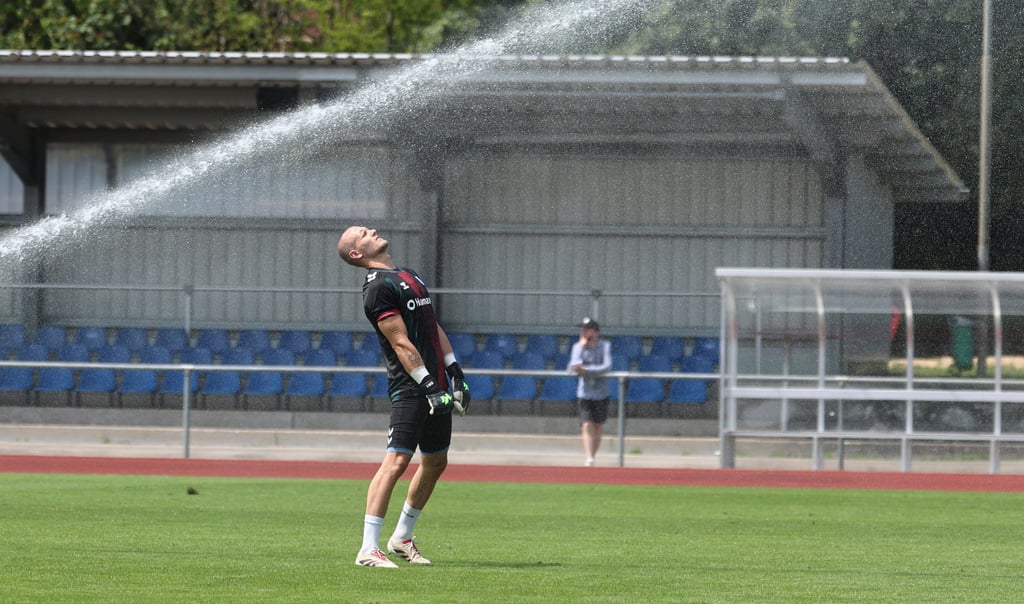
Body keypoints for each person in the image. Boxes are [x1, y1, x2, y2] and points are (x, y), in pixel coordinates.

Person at [337, 225, 470, 568]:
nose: (374, 231)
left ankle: (402, 537)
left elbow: (431, 325)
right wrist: (427, 384)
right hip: (411, 388)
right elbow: (400, 342)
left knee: (436, 462)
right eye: (364, 233)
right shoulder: (377, 288)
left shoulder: (407, 275)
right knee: (396, 463)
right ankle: (368, 548)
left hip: (435, 383)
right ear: (357, 254)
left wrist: (453, 368)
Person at [567, 317, 612, 466]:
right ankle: (589, 457)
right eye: (583, 329)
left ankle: (593, 454)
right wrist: (581, 348)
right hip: (585, 392)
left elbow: (606, 367)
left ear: (595, 331)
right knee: (586, 424)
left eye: (587, 329)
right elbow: (573, 367)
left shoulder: (605, 346)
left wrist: (586, 371)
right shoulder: (577, 346)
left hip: (601, 392)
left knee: (598, 425)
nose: (584, 332)